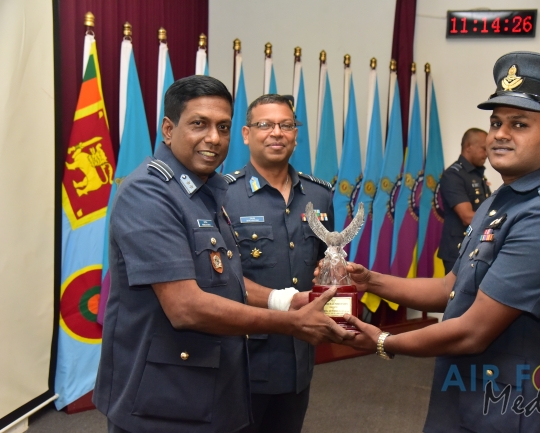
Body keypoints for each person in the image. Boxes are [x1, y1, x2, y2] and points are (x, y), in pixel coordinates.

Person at [335, 52, 540, 432]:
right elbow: (450, 289)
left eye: (519, 124)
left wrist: (383, 341)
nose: (500, 134)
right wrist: (369, 280)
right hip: (466, 392)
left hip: (515, 409)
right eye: (496, 122)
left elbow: (473, 330)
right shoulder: (500, 200)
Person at [93, 76, 350, 433]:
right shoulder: (149, 193)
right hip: (162, 401)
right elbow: (185, 307)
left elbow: (225, 281)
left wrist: (289, 301)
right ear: (168, 129)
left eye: (222, 127)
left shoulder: (206, 192)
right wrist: (291, 323)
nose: (214, 138)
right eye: (199, 124)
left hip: (213, 390)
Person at [224, 94, 334, 433]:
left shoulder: (319, 195)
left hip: (298, 354)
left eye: (286, 125)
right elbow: (219, 279)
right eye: (265, 125)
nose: (277, 133)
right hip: (243, 356)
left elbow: (325, 262)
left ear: (295, 135)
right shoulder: (222, 195)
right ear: (246, 134)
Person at [439, 128, 491, 274]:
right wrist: (500, 221)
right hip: (459, 250)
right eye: (483, 148)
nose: (487, 154)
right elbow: (467, 216)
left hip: (478, 248)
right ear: (468, 147)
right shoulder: (453, 175)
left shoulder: (477, 175)